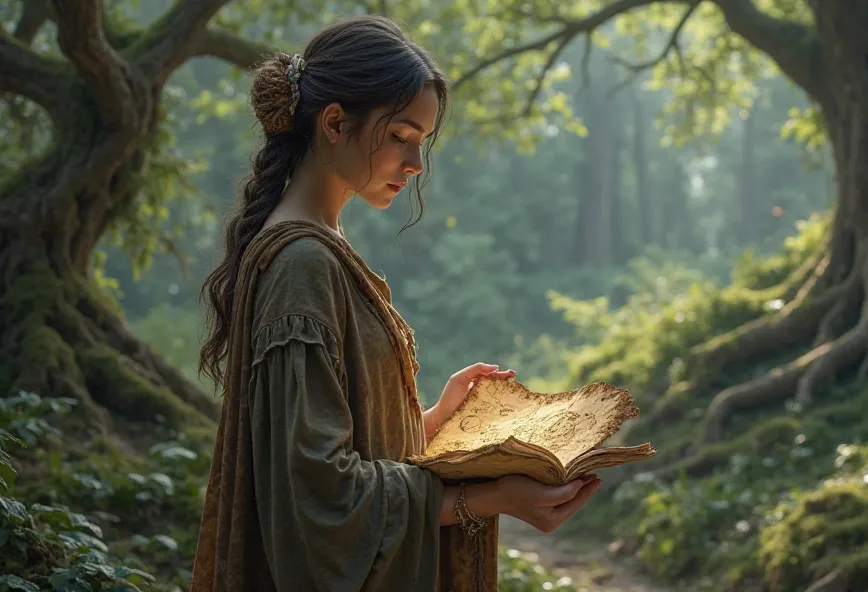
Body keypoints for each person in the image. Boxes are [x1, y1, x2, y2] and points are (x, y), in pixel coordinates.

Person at [190, 15, 602, 592]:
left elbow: (346, 448)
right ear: (335, 122)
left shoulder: (322, 251)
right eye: (401, 137)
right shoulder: (301, 265)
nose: (414, 166)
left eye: (422, 144)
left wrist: (430, 421)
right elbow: (322, 498)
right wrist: (490, 497)